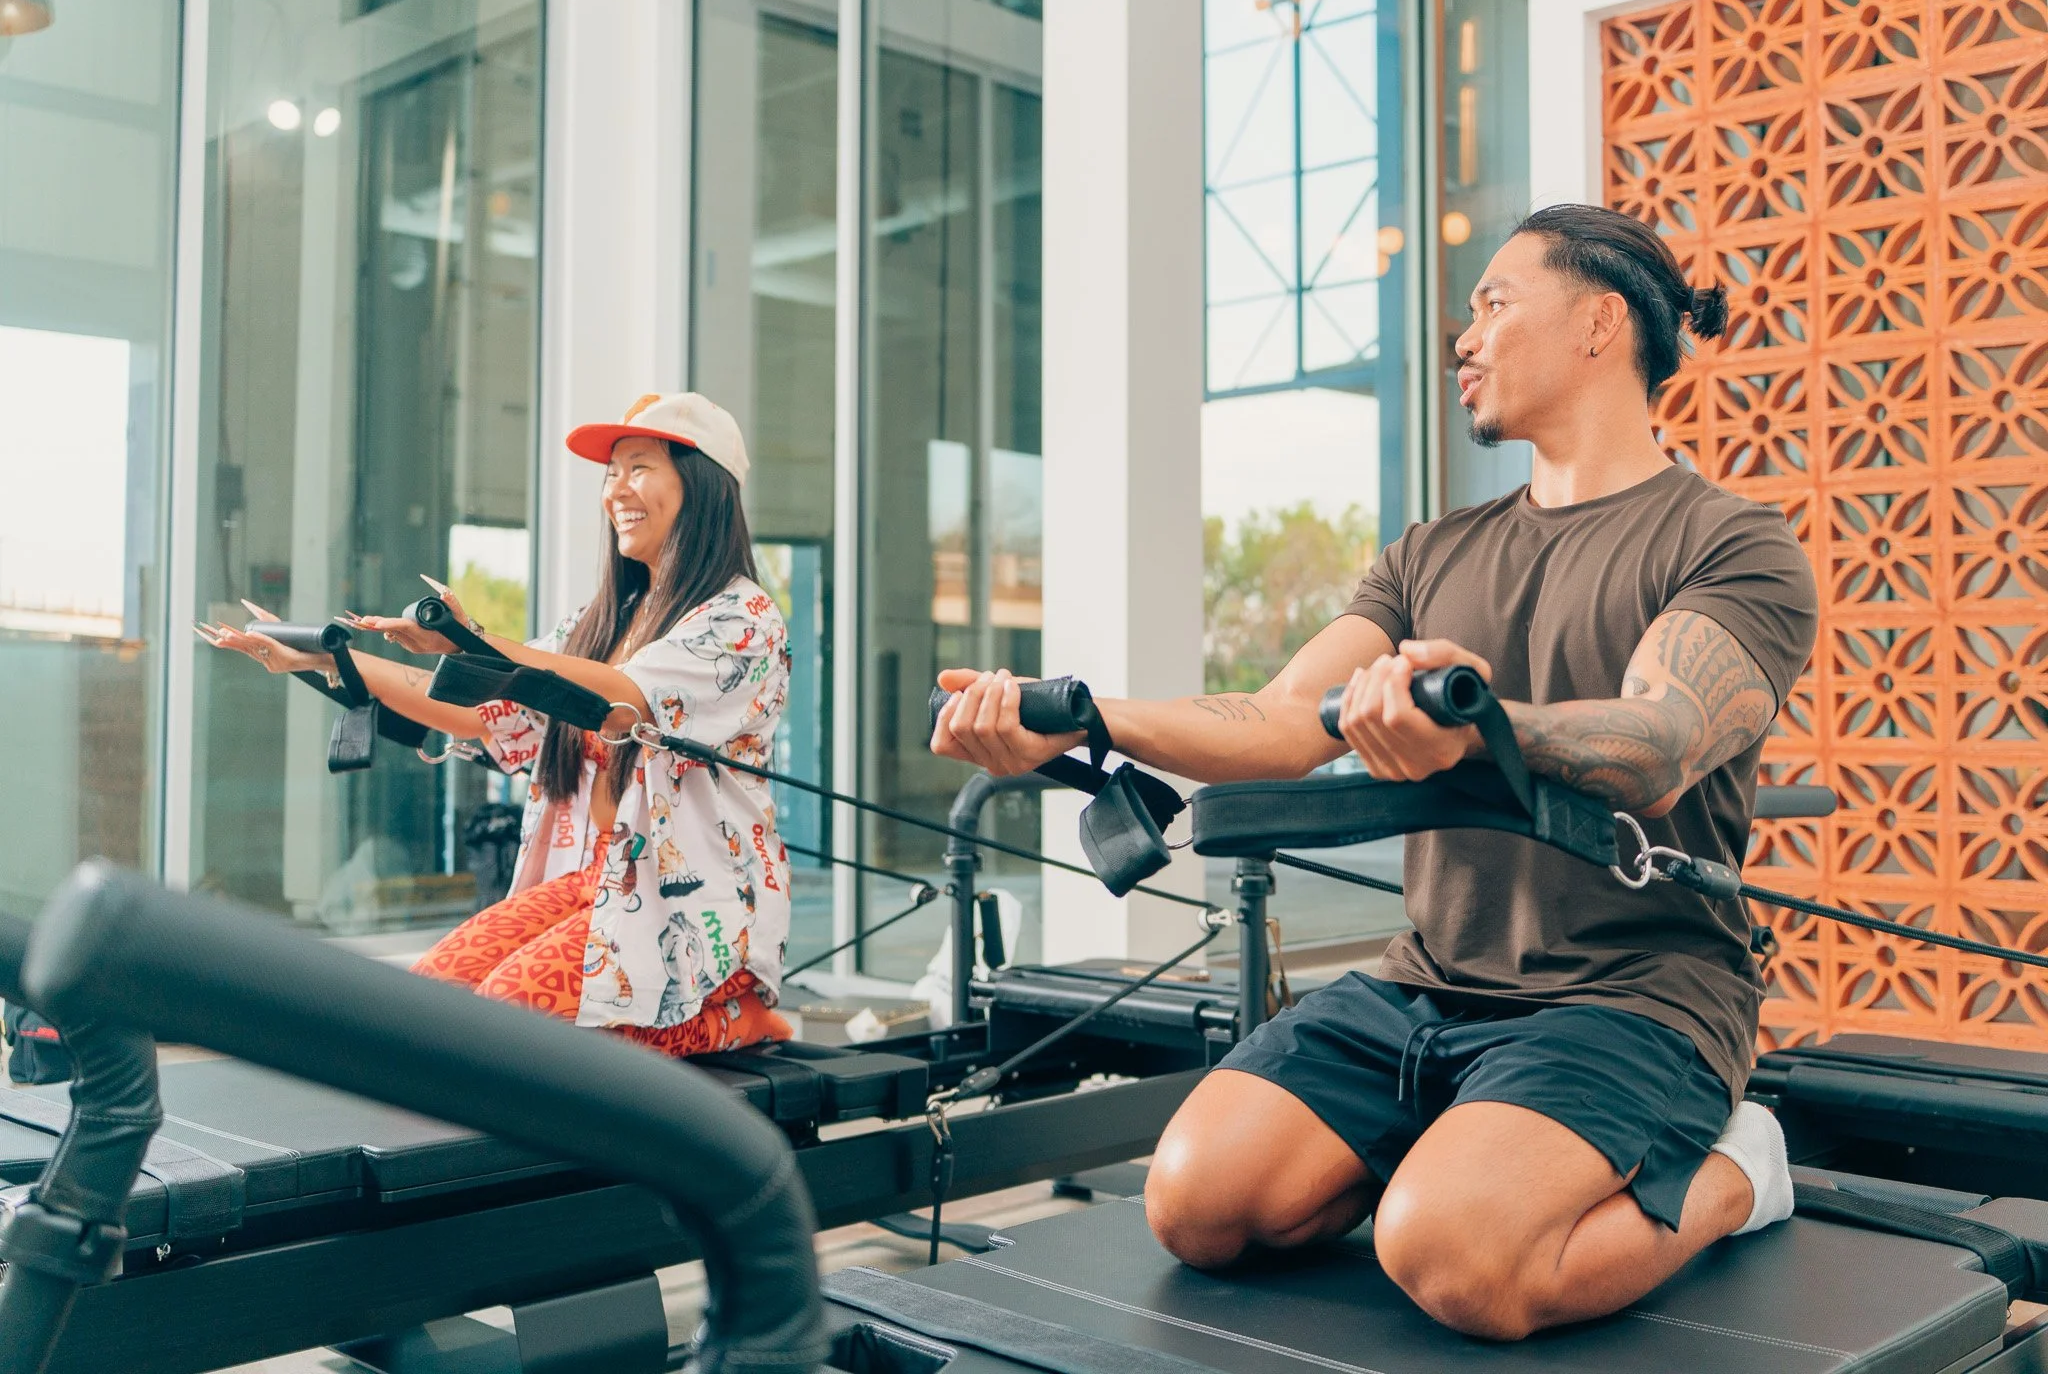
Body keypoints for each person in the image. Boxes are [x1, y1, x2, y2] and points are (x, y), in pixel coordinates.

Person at [931, 204, 1819, 1340]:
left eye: (1493, 304)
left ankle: (1739, 1170)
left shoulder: (1729, 541)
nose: (1464, 338)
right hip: (1427, 981)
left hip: (1635, 994)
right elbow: (1276, 722)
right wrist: (1083, 719)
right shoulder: (1431, 553)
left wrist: (1481, 727)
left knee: (1456, 1261)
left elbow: (1659, 741)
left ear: (1600, 324)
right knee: (1197, 1204)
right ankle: (1458, 1145)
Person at [200, 392, 794, 1058]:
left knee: (507, 1024)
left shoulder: (744, 620)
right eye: (611, 473)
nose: (616, 490)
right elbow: (478, 710)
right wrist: (329, 659)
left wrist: (474, 641)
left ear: (703, 484)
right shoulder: (601, 620)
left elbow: (624, 698)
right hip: (596, 884)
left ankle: (735, 1014)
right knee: (429, 1007)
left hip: (696, 910)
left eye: (640, 467)